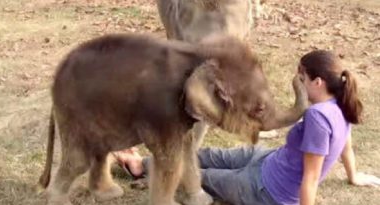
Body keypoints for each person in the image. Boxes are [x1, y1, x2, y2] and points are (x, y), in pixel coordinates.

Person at [113, 50, 380, 205]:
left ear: (318, 82)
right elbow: (346, 145)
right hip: (268, 160)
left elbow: (310, 178)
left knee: (199, 175)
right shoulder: (341, 104)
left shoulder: (318, 119)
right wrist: (353, 176)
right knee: (206, 156)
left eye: (301, 78)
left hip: (267, 190)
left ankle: (138, 167)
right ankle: (145, 162)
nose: (297, 82)